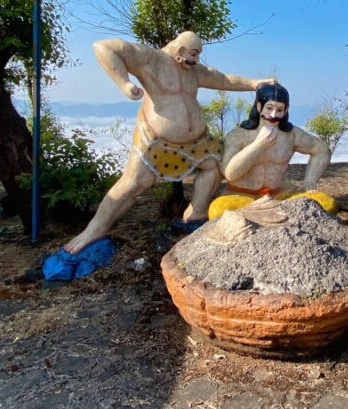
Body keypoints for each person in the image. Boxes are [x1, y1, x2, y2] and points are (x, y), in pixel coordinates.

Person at [64, 31, 272, 254]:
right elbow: (103, 47)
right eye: (194, 53)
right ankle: (94, 230)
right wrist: (124, 84)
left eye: (199, 55)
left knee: (215, 167)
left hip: (198, 142)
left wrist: (254, 83)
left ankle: (195, 215)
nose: (196, 59)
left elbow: (223, 79)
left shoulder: (194, 71)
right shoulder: (150, 59)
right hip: (157, 141)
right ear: (180, 50)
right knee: (132, 184)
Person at [209, 82, 336, 218]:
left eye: (280, 110)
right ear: (259, 106)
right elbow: (230, 174)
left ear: (286, 110)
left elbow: (322, 150)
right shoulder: (239, 135)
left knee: (327, 203)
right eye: (269, 108)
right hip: (241, 195)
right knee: (219, 210)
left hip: (279, 195)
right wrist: (258, 145)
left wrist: (310, 181)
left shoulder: (291, 134)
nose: (273, 114)